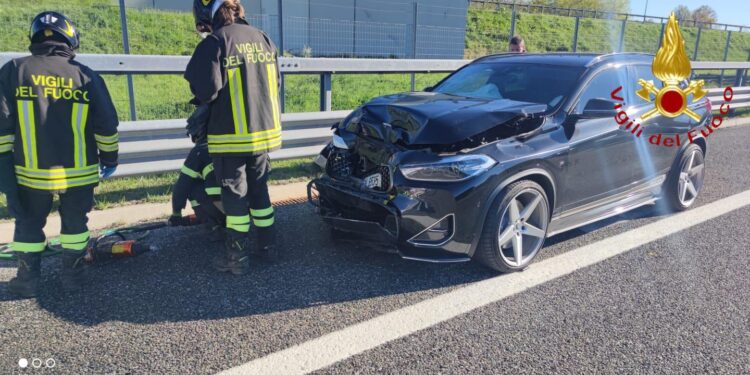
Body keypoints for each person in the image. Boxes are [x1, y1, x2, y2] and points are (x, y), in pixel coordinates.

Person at [0, 11, 119, 297]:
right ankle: (73, 278)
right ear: (70, 39)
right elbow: (106, 124)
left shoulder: (14, 70)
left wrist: (5, 174)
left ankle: (27, 281)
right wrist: (110, 159)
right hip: (80, 172)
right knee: (76, 224)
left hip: (30, 175)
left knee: (28, 223)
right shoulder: (84, 75)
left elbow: (2, 129)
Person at [184, 0, 281, 275]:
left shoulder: (216, 42)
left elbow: (205, 90)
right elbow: (275, 83)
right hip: (262, 134)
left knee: (235, 198)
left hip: (230, 136)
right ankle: (268, 247)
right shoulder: (262, 38)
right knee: (260, 191)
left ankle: (236, 257)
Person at [169, 105, 225, 238]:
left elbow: (181, 187)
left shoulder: (200, 151)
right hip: (244, 209)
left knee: (191, 184)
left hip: (222, 210)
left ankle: (213, 225)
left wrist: (176, 214)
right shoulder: (236, 143)